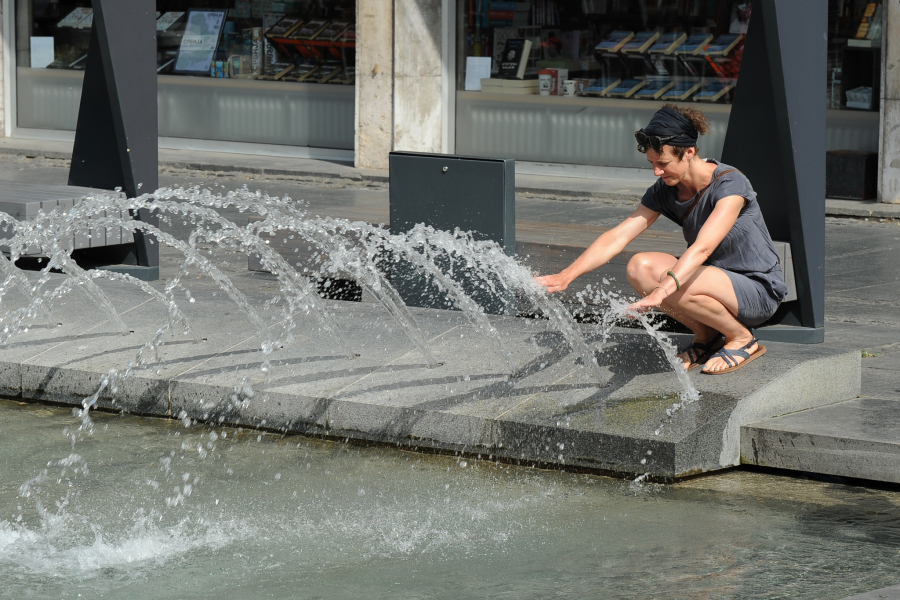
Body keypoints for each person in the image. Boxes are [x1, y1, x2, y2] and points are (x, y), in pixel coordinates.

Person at [535, 104, 787, 374]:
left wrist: (662, 291)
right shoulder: (666, 189)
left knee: (671, 279)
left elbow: (703, 248)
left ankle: (741, 338)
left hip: (757, 289)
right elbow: (618, 236)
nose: (656, 171)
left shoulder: (730, 184)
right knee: (640, 267)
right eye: (652, 164)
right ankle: (707, 336)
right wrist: (567, 275)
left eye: (663, 163)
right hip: (711, 280)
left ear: (689, 152)